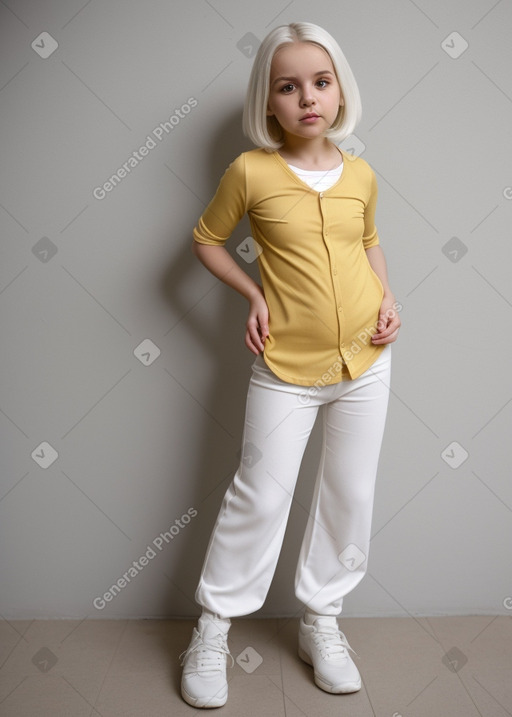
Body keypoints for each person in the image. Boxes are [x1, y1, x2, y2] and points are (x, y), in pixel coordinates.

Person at [179, 21, 401, 708]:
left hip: (368, 361)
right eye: (289, 86)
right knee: (261, 492)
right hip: (286, 365)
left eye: (321, 81)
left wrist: (389, 296)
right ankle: (212, 630)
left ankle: (321, 622)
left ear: (339, 91)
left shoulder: (361, 172)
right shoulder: (251, 172)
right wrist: (251, 294)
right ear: (268, 101)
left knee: (350, 493)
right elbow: (206, 240)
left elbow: (369, 243)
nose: (308, 96)